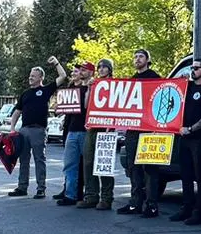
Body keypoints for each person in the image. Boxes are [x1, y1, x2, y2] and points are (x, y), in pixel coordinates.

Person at [7, 57, 68, 198]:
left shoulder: (46, 90)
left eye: (33, 75)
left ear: (41, 77)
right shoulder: (25, 94)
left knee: (39, 159)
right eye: (30, 75)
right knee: (23, 160)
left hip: (38, 130)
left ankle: (41, 188)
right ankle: (22, 187)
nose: (30, 77)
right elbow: (17, 112)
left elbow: (63, 76)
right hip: (24, 130)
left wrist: (56, 63)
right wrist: (12, 128)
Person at [169, 57, 201, 225]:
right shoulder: (187, 87)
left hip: (199, 138)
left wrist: (191, 128)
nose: (193, 71)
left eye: (196, 68)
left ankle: (199, 212)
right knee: (186, 174)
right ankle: (186, 207)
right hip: (183, 137)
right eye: (192, 68)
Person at [117, 49, 162, 216]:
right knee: (133, 167)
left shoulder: (155, 78)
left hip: (149, 129)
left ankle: (151, 205)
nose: (137, 59)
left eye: (141, 56)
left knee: (150, 168)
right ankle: (135, 203)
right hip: (133, 130)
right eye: (135, 57)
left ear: (148, 60)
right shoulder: (131, 81)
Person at [78, 59, 117, 210]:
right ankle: (91, 196)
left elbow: (116, 107)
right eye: (99, 67)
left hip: (106, 127)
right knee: (88, 162)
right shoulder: (94, 84)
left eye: (104, 67)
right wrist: (88, 89)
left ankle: (107, 198)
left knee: (104, 163)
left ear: (110, 69)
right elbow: (87, 105)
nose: (101, 69)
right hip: (92, 126)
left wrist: (111, 125)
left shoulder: (114, 84)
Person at [55, 62, 95, 206]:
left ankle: (88, 195)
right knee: (70, 164)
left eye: (84, 70)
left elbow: (87, 106)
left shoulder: (93, 88)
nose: (81, 72)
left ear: (91, 72)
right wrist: (60, 108)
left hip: (86, 131)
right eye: (80, 70)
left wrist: (90, 88)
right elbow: (64, 109)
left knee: (86, 165)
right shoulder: (73, 89)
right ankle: (71, 195)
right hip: (72, 130)